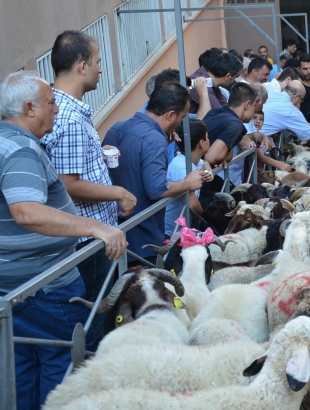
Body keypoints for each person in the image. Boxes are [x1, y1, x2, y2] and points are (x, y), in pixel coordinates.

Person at [0, 71, 127, 410]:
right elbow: (27, 212)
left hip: (14, 286)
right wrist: (95, 228)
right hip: (46, 285)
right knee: (62, 366)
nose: (56, 109)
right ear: (29, 108)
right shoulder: (21, 150)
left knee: (21, 369)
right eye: (51, 103)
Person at [40, 30, 137, 341]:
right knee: (96, 322)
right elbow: (68, 183)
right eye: (97, 62)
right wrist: (118, 192)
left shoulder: (63, 110)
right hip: (88, 241)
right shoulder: (67, 118)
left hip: (91, 236)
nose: (101, 69)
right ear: (82, 66)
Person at [105, 82, 208, 266]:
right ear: (170, 115)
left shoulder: (117, 127)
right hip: (142, 239)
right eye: (181, 117)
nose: (180, 124)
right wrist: (188, 183)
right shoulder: (154, 138)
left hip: (114, 232)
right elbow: (157, 189)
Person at [164, 119, 209, 237]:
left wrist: (208, 168)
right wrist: (204, 215)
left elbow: (203, 164)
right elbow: (192, 205)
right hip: (174, 233)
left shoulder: (190, 160)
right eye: (207, 137)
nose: (209, 140)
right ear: (202, 143)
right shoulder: (182, 169)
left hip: (185, 228)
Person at [260, 80, 310, 148]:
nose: (300, 102)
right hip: (258, 143)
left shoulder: (271, 91)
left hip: (254, 135)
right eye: (301, 99)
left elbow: (300, 123)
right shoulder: (290, 110)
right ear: (296, 97)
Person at [202, 82, 258, 168]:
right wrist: (223, 156)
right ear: (247, 105)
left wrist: (223, 156)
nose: (255, 111)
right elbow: (211, 158)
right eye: (254, 106)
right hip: (197, 171)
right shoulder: (235, 125)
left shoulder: (216, 111)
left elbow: (226, 156)